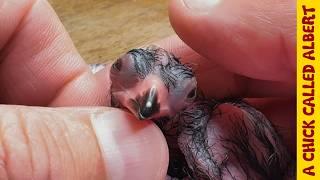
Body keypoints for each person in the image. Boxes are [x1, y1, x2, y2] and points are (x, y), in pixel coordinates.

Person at [0, 0, 295, 179]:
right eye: (122, 70)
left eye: (184, 93)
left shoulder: (215, 128)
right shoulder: (93, 107)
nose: (148, 101)